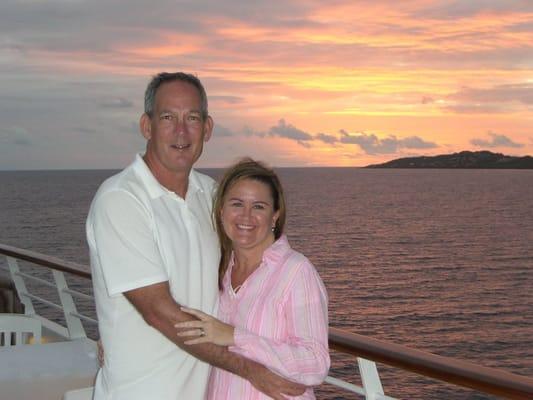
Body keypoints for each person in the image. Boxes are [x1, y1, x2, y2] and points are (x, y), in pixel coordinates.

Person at [86, 72, 305, 399]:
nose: (181, 131)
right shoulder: (121, 200)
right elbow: (159, 313)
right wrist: (251, 370)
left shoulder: (212, 195)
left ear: (207, 128)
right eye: (167, 117)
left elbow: (255, 272)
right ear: (147, 126)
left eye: (192, 118)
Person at [175, 159, 330, 399]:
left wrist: (234, 336)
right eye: (237, 204)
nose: (246, 216)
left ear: (275, 216)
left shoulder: (296, 272)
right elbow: (179, 320)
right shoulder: (219, 269)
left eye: (259, 207)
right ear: (221, 210)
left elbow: (316, 364)